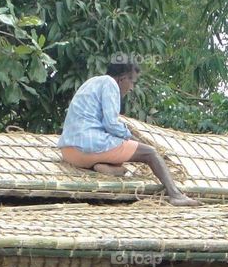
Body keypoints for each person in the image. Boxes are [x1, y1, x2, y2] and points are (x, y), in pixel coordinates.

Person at [58, 61, 198, 206]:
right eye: (132, 82)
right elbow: (111, 124)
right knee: (150, 153)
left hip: (69, 152)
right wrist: (130, 136)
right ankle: (176, 195)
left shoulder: (92, 82)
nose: (131, 88)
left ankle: (102, 166)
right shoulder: (110, 83)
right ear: (122, 78)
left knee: (120, 152)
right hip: (88, 146)